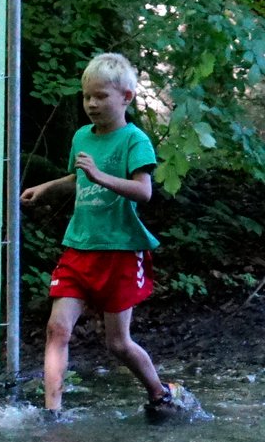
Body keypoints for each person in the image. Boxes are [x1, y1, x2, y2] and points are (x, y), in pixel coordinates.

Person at [19, 52, 186, 420]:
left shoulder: (134, 140)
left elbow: (144, 192)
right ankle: (52, 414)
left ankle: (160, 393)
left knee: (117, 343)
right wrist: (47, 187)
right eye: (86, 97)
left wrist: (100, 176)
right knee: (57, 328)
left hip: (120, 250)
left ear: (126, 97)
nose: (91, 104)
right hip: (79, 246)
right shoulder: (82, 136)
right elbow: (77, 178)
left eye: (100, 96)